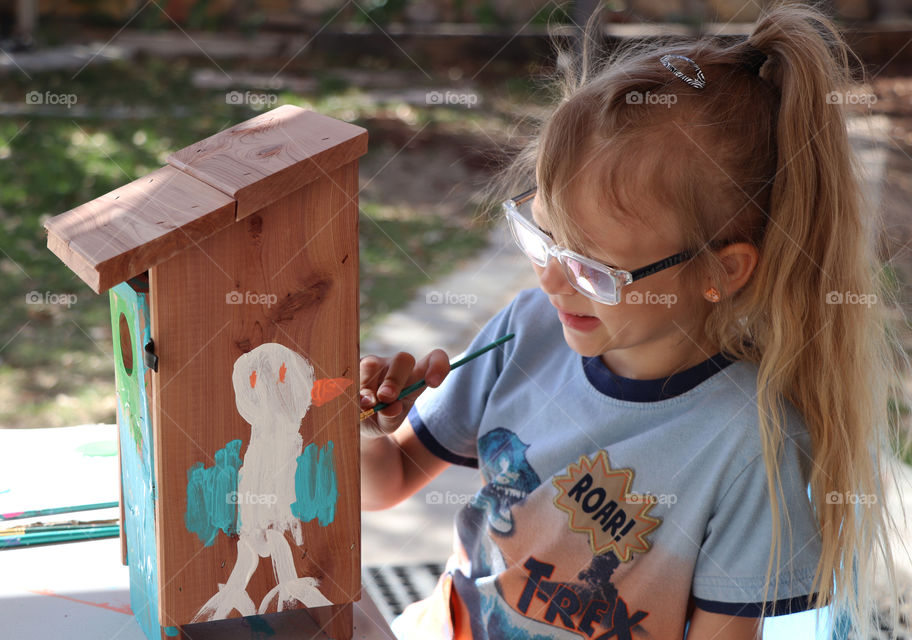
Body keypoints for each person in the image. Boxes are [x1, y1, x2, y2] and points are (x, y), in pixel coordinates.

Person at [359, 2, 908, 638]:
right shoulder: (529, 330)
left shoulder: (749, 444)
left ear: (724, 271)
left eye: (594, 269)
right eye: (545, 239)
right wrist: (367, 428)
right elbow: (385, 484)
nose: (551, 280)